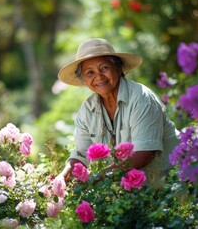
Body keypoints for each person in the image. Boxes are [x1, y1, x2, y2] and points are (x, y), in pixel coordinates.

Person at [57, 38, 179, 185]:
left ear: (118, 68)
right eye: (90, 72)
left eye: (104, 68)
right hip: (132, 191)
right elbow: (81, 154)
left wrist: (97, 177)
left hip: (172, 182)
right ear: (84, 79)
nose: (98, 76)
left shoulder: (141, 98)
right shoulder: (87, 110)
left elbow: (144, 153)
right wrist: (63, 176)